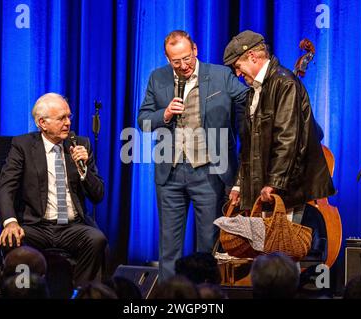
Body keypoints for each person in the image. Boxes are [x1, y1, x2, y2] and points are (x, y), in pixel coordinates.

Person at [137, 30, 249, 282]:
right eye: (176, 62)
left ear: (195, 50)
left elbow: (246, 100)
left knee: (208, 242)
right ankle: (169, 296)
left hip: (208, 171)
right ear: (168, 59)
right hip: (170, 173)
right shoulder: (158, 78)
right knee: (169, 245)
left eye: (187, 58)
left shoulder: (221, 75)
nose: (184, 65)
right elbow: (143, 121)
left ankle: (205, 295)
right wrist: (164, 115)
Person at [0, 92, 108, 287]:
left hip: (72, 226)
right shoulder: (23, 145)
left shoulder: (81, 145)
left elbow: (98, 195)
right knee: (14, 238)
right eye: (61, 118)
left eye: (69, 117)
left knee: (96, 239)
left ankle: (81, 292)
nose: (68, 123)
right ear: (42, 123)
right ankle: (24, 292)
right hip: (36, 226)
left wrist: (84, 170)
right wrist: (10, 222)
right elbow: (5, 189)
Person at [223, 30, 335, 222]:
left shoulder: (285, 83)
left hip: (285, 191)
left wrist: (274, 182)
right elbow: (249, 146)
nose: (238, 73)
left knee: (280, 249)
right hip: (263, 190)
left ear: (252, 57)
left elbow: (287, 138)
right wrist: (239, 185)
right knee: (263, 249)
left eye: (238, 66)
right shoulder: (254, 92)